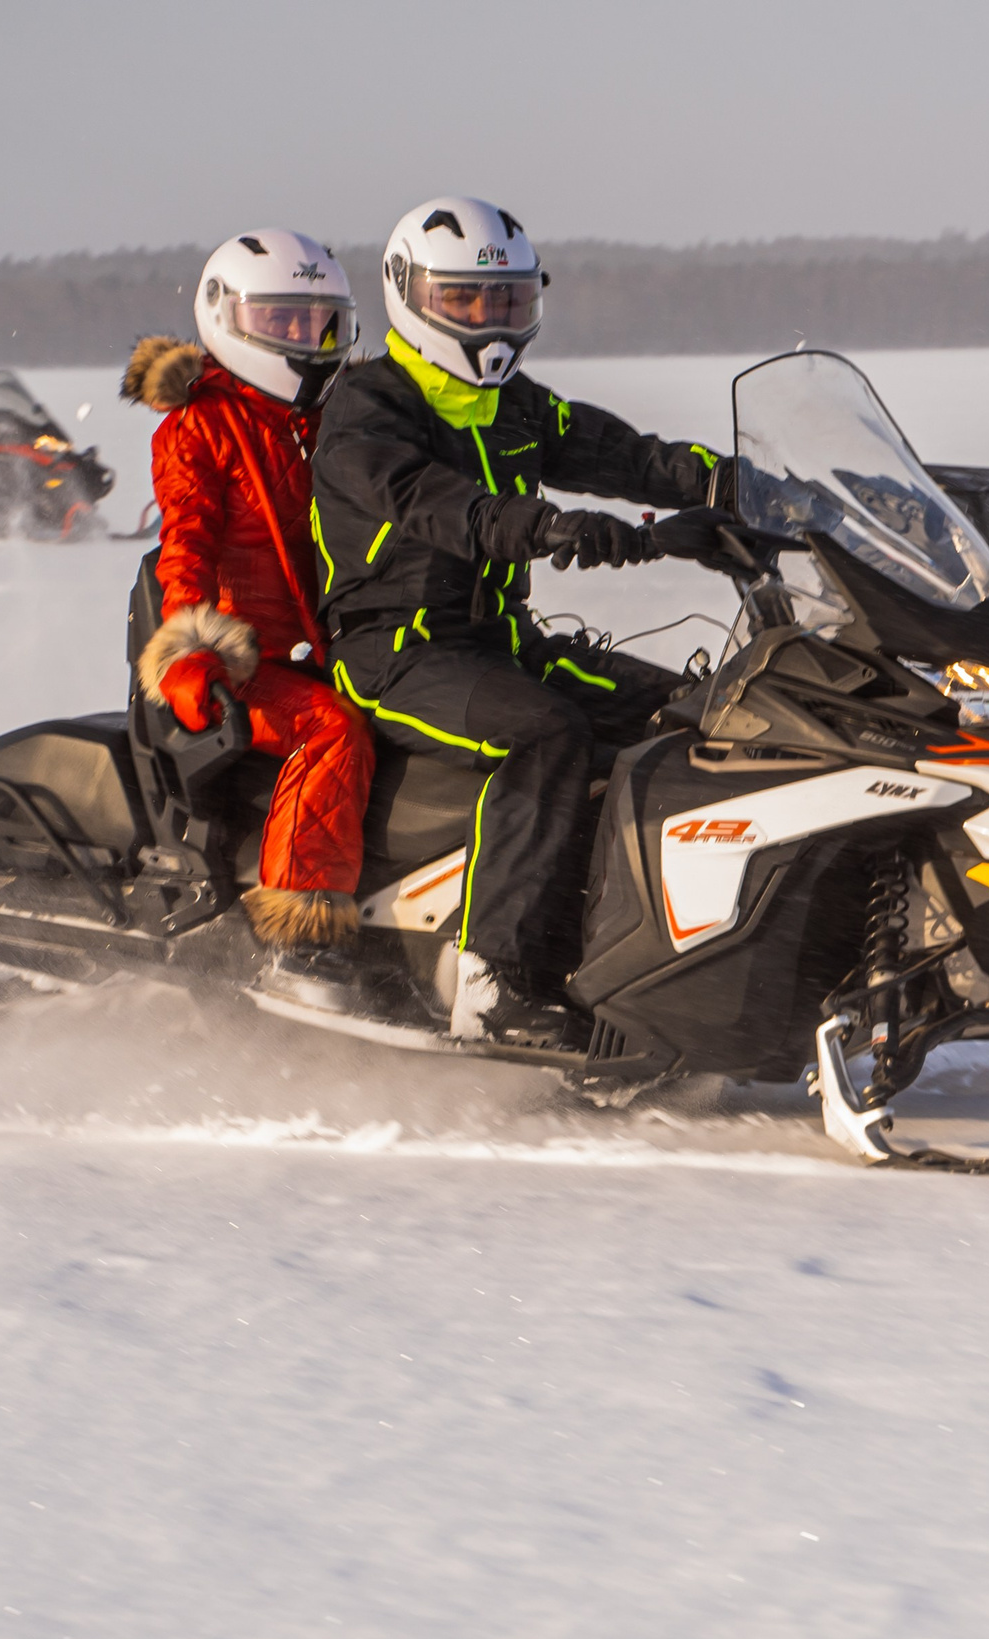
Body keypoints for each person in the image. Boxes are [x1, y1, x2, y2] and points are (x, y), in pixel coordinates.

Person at [311, 194, 728, 1044]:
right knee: (545, 733)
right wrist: (546, 526)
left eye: (506, 301)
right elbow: (433, 501)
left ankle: (646, 956)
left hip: (500, 641)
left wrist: (734, 483)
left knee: (697, 713)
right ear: (410, 295)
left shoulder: (515, 405)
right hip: (396, 653)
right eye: (464, 300)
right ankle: (490, 983)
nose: (487, 320)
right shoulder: (367, 408)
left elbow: (623, 454)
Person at [121, 228, 377, 1006]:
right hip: (245, 661)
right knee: (330, 729)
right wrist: (190, 650)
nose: (304, 340)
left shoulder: (336, 416)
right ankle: (300, 939)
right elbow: (187, 544)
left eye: (319, 324)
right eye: (282, 321)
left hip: (330, 642)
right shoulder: (200, 426)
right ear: (226, 319)